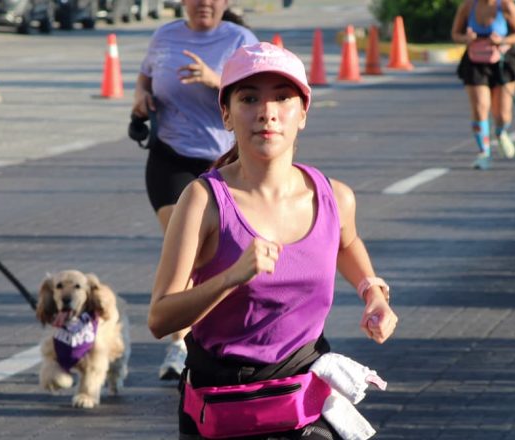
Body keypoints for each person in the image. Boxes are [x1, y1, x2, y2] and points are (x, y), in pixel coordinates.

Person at [147, 42, 398, 439]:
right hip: (223, 406)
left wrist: (372, 291)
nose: (267, 112)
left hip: (301, 401)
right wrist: (232, 277)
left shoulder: (335, 197)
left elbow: (346, 243)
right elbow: (160, 318)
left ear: (303, 114)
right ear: (226, 114)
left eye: (283, 98)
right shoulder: (203, 201)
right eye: (249, 98)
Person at [132, 0, 258, 380]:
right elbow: (145, 78)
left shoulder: (240, 39)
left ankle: (220, 335)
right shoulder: (165, 35)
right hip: (170, 156)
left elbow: (256, 93)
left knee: (209, 256)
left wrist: (213, 78)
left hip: (223, 164)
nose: (204, 3)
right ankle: (179, 346)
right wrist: (141, 98)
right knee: (183, 248)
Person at [451, 0, 515, 170]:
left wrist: (502, 40)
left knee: (502, 114)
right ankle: (484, 152)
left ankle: (501, 132)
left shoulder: (506, 6)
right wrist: (466, 38)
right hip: (475, 62)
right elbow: (455, 34)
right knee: (480, 107)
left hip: (503, 61)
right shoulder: (468, 6)